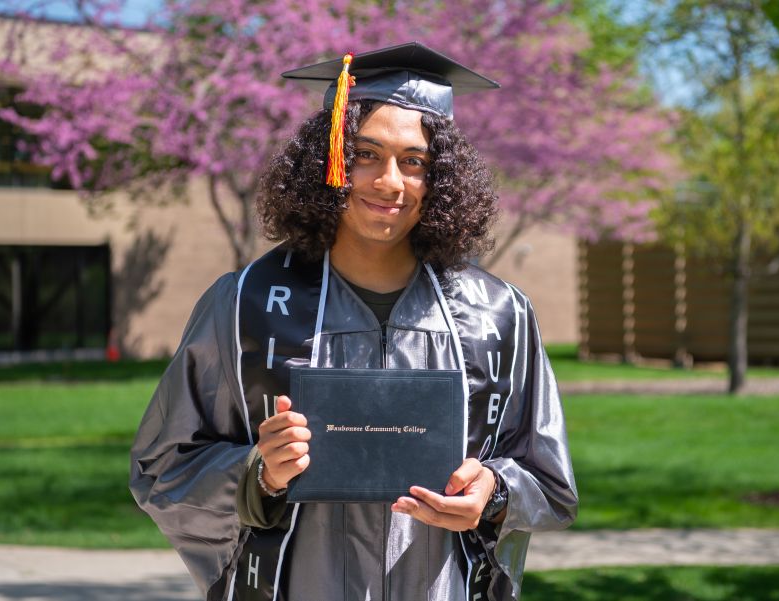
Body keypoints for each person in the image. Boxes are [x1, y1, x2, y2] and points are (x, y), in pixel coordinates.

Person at [130, 42, 577, 601]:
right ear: (328, 160)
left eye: (414, 161)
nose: (389, 182)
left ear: (440, 178)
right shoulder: (244, 304)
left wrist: (495, 490)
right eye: (364, 153)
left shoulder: (499, 314)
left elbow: (552, 485)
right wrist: (256, 474)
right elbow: (160, 471)